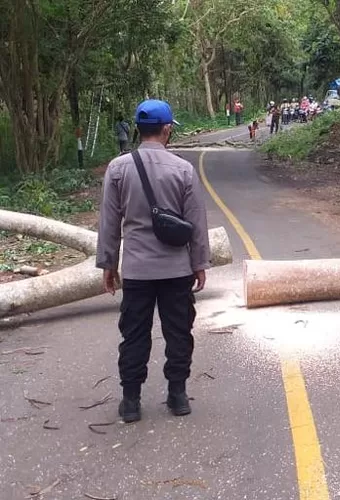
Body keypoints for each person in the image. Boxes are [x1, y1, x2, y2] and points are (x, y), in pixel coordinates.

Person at [96, 99, 210, 424]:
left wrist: (108, 265)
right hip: (176, 270)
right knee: (178, 331)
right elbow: (196, 223)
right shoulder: (183, 170)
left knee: (134, 334)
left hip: (136, 270)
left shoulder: (118, 168)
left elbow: (109, 222)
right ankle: (177, 395)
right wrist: (199, 264)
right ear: (167, 129)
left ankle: (130, 401)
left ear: (137, 129)